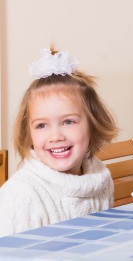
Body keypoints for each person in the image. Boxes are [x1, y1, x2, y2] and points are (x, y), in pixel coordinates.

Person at [0, 48, 119, 236]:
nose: (56, 136)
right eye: (41, 125)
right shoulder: (20, 196)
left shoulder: (100, 177)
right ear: (28, 132)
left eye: (68, 122)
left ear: (93, 124)